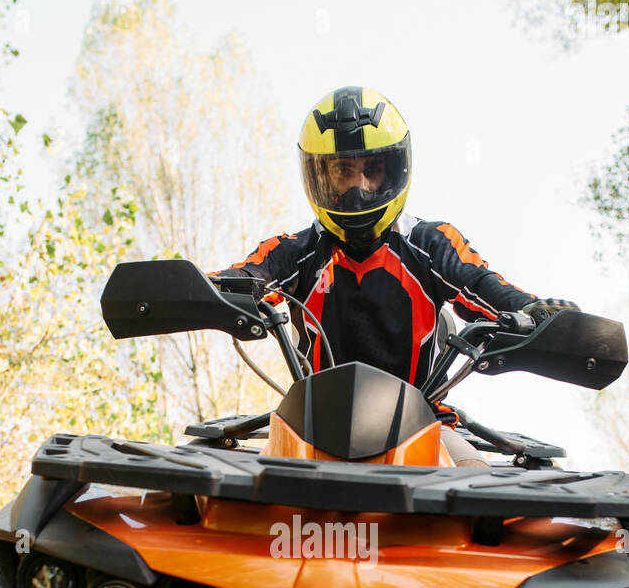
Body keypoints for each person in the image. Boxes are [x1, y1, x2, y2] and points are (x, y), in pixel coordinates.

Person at [213, 86, 578, 465]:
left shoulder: (431, 243)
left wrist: (536, 312)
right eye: (343, 171)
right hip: (307, 430)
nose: (359, 187)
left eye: (371, 170)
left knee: (481, 498)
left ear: (393, 170)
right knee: (212, 492)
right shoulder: (293, 251)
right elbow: (239, 279)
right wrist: (194, 291)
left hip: (425, 429)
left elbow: (487, 289)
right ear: (319, 175)